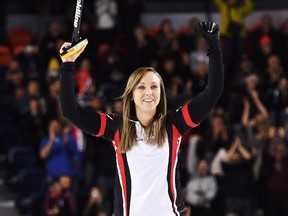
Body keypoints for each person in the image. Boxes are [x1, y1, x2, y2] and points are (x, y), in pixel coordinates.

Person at [59, 21, 224, 216]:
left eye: (154, 86)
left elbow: (212, 93)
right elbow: (71, 111)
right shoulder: (117, 127)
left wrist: (214, 48)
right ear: (131, 94)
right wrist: (68, 66)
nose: (149, 92)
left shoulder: (174, 124)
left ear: (161, 93)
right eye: (142, 87)